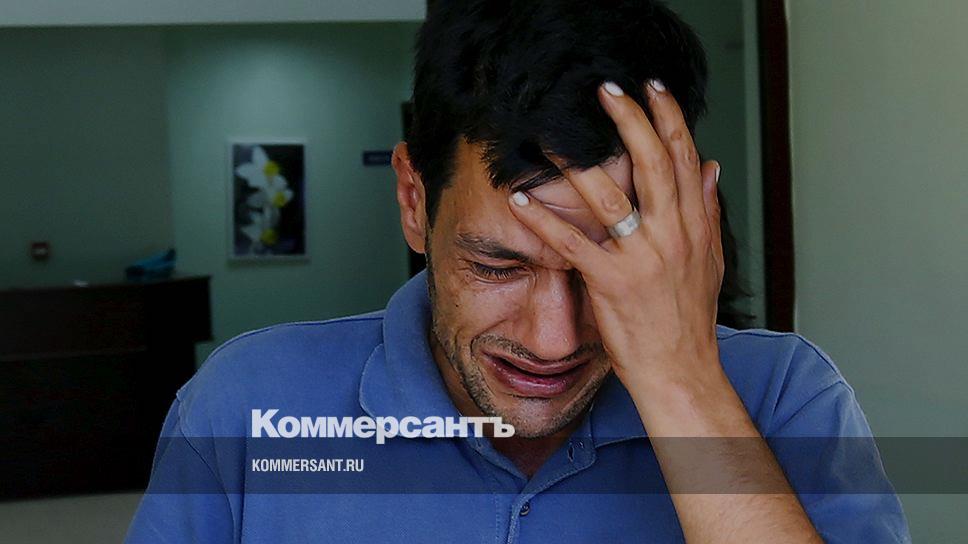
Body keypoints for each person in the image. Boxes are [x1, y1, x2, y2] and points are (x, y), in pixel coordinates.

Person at [126, 1, 911, 542]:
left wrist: (684, 385)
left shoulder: (784, 397)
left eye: (605, 269)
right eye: (496, 265)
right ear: (413, 201)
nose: (553, 339)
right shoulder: (245, 405)